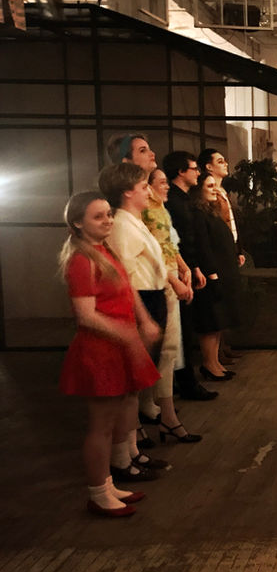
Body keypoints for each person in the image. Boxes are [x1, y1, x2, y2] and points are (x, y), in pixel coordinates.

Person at [59, 192, 160, 516]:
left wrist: (142, 322)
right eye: (98, 216)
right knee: (101, 426)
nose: (107, 221)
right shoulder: (82, 260)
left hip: (116, 346)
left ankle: (107, 484)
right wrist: (126, 335)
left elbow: (126, 292)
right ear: (78, 223)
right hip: (99, 351)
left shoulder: (104, 251)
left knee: (113, 420)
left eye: (108, 214)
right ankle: (98, 493)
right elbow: (86, 315)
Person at [98, 163, 179, 480]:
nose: (149, 191)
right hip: (139, 300)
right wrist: (143, 317)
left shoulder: (135, 222)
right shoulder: (121, 225)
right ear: (127, 192)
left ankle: (132, 452)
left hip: (151, 296)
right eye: (144, 186)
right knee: (129, 384)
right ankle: (121, 458)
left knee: (136, 384)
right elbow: (125, 279)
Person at [141, 168, 203, 444]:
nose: (167, 186)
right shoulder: (143, 213)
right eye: (162, 182)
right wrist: (175, 279)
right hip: (157, 282)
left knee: (168, 349)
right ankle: (156, 413)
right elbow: (154, 252)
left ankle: (164, 413)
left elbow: (169, 245)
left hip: (170, 278)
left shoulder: (160, 209)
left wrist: (184, 268)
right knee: (159, 350)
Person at [161, 151, 216, 402]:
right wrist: (190, 268)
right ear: (181, 172)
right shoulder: (173, 201)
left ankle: (185, 381)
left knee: (186, 326)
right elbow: (177, 242)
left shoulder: (184, 199)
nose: (198, 173)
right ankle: (184, 383)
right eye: (194, 168)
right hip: (176, 271)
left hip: (186, 268)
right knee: (180, 330)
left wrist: (192, 267)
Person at [191, 173, 243, 380]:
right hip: (212, 273)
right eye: (209, 186)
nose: (214, 189)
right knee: (211, 321)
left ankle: (215, 361)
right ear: (199, 190)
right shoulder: (198, 214)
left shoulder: (211, 211)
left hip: (223, 270)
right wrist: (212, 274)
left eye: (214, 186)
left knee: (219, 321)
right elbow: (203, 246)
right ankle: (209, 363)